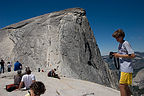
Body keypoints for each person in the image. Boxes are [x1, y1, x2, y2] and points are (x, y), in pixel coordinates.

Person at [112, 29, 135, 96]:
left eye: (117, 37)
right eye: (115, 38)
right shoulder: (120, 44)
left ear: (122, 36)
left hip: (127, 68)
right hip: (123, 68)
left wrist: (119, 55)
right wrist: (115, 54)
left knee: (121, 86)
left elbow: (133, 55)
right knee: (125, 86)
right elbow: (122, 54)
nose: (116, 39)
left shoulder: (125, 43)